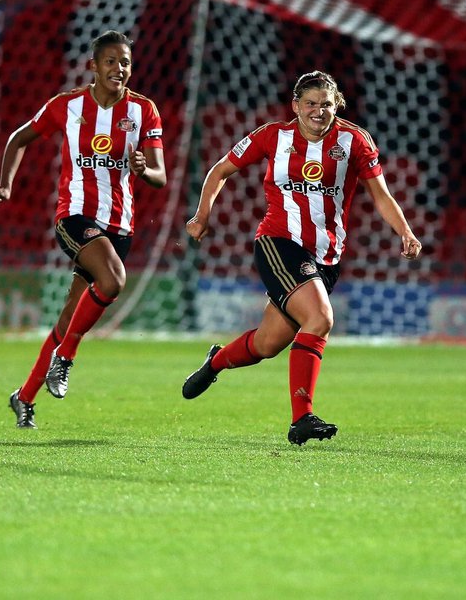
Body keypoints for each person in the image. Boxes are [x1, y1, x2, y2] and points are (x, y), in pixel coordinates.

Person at [181, 70, 422, 445]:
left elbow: (380, 194)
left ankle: (215, 361)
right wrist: (202, 214)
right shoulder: (272, 136)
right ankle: (302, 418)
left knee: (268, 344)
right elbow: (221, 170)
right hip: (279, 242)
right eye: (310, 104)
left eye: (326, 104)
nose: (318, 111)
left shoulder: (354, 140)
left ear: (336, 105)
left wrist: (404, 231)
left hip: (327, 255)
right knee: (320, 317)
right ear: (296, 106)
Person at [0, 30, 166, 428]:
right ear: (94, 65)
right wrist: (6, 183)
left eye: (125, 62)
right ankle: (65, 358)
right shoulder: (66, 106)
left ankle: (24, 397)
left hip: (120, 225)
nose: (119, 69)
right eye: (111, 61)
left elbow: (159, 174)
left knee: (71, 314)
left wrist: (144, 169)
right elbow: (19, 139)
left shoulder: (144, 111)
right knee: (114, 280)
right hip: (76, 217)